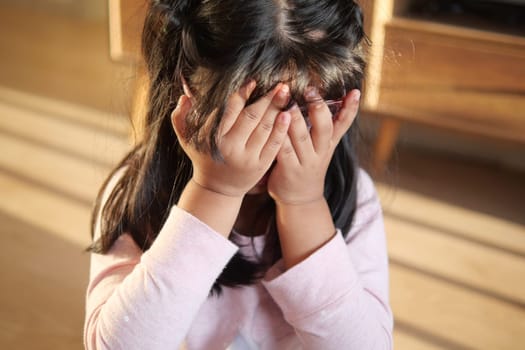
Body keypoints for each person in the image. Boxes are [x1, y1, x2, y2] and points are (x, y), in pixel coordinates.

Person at [83, 0, 393, 349]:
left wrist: (304, 202)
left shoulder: (353, 196)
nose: (273, 142)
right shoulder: (138, 191)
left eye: (305, 115)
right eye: (248, 114)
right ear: (186, 90)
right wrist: (214, 192)